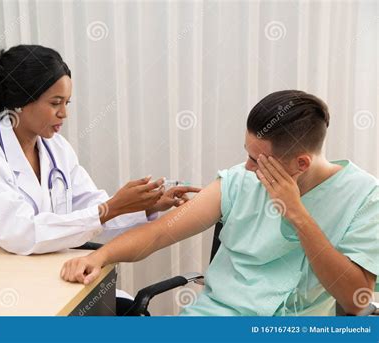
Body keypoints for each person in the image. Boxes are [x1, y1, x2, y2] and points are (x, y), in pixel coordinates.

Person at [61, 90, 378, 316]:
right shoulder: (240, 180)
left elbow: (355, 301)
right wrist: (101, 256)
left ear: (302, 164)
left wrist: (297, 213)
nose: (248, 167)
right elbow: (159, 234)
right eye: (247, 153)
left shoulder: (365, 197)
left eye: (258, 160)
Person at [0, 45, 199, 255]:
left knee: (119, 304)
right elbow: (21, 234)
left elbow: (88, 206)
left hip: (46, 270)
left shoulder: (55, 147)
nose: (64, 113)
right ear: (20, 101)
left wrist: (145, 206)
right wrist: (112, 208)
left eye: (66, 103)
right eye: (55, 103)